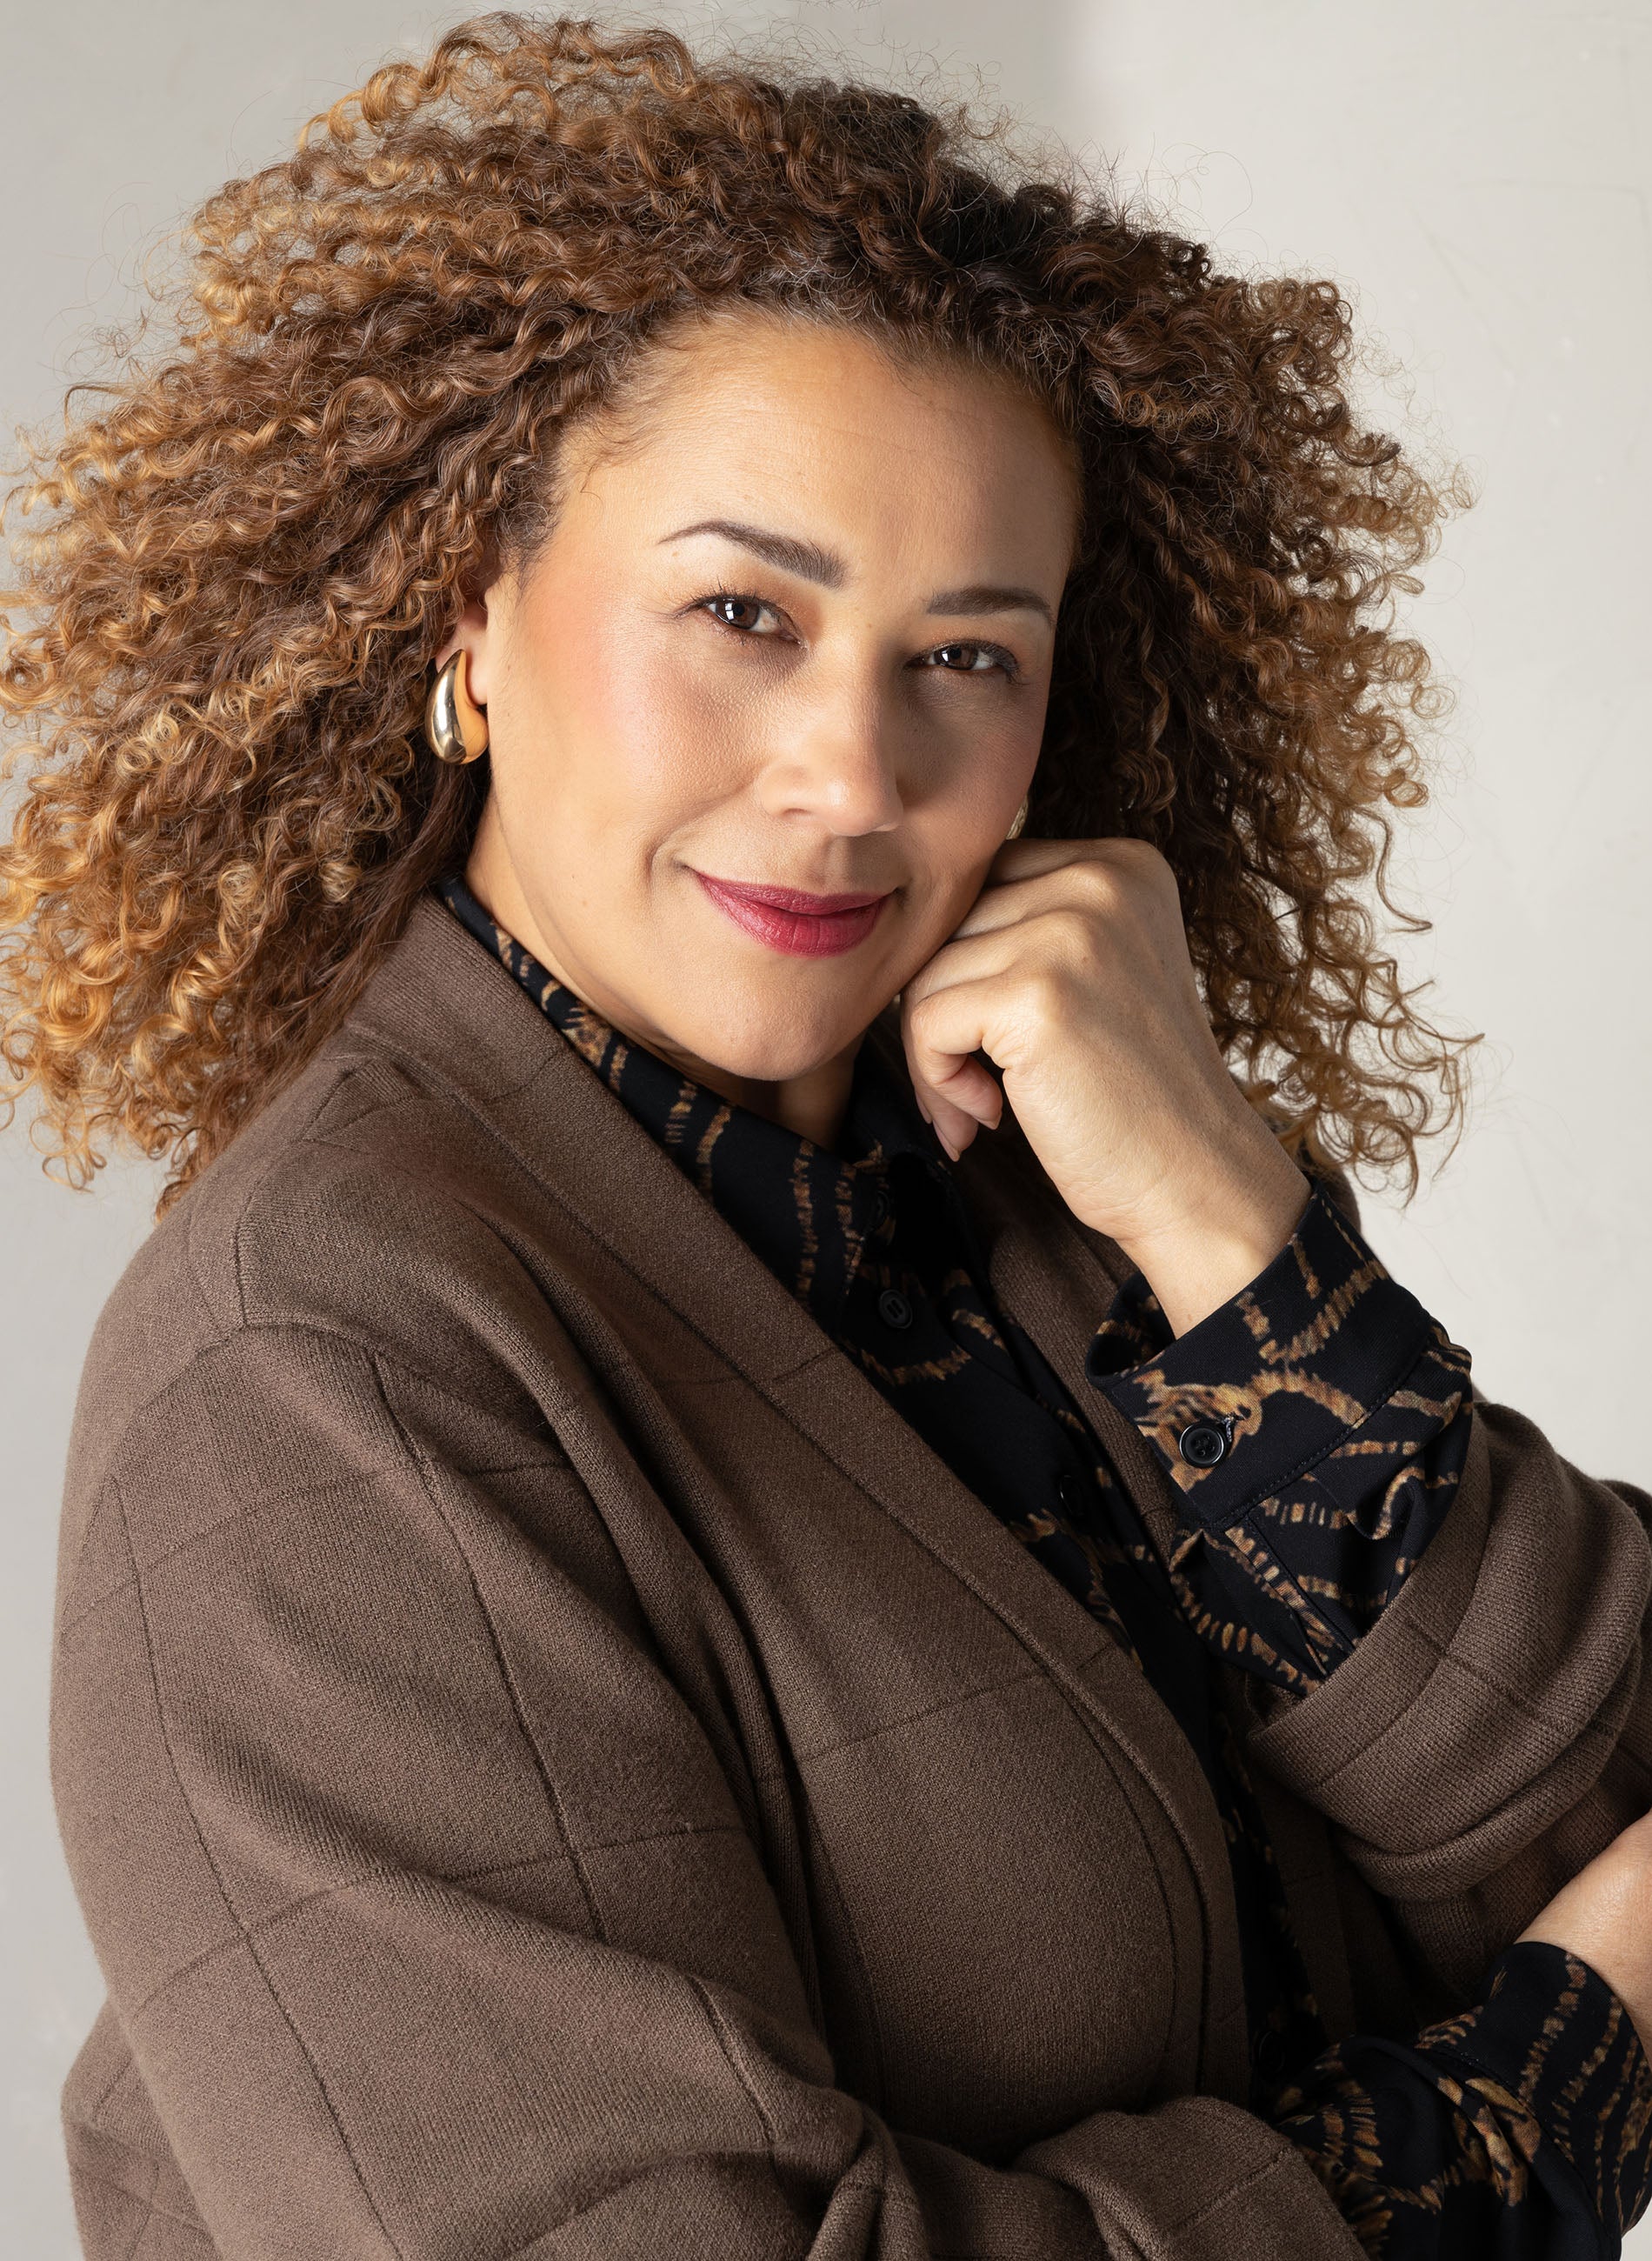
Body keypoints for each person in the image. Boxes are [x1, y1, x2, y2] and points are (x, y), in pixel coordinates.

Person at [4, 15, 1649, 2259]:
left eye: (965, 657)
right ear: (472, 617)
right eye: (741, 615)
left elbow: (1603, 1815)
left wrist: (1230, 1226)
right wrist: (1525, 2112)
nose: (855, 776)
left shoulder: (1052, 1179)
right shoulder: (312, 1382)